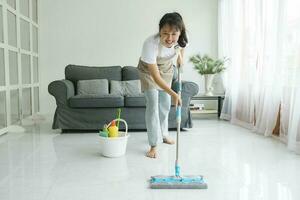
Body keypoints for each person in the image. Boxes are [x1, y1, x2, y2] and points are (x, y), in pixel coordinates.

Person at [137, 12, 188, 158]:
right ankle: (153, 145)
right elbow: (155, 76)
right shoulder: (150, 44)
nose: (169, 38)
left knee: (165, 104)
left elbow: (183, 47)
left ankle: (164, 134)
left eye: (174, 34)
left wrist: (180, 58)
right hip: (149, 70)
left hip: (166, 68)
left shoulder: (182, 39)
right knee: (153, 103)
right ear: (159, 31)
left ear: (180, 33)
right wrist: (174, 93)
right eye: (165, 33)